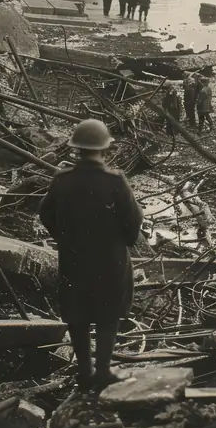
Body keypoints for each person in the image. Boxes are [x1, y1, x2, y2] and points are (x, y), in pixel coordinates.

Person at [39, 119, 143, 390]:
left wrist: (63, 238)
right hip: (110, 260)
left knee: (78, 314)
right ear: (105, 148)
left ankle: (85, 371)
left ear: (77, 149)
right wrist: (124, 241)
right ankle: (103, 372)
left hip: (74, 259)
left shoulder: (62, 179)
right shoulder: (114, 181)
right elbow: (133, 220)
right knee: (109, 315)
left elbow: (45, 213)